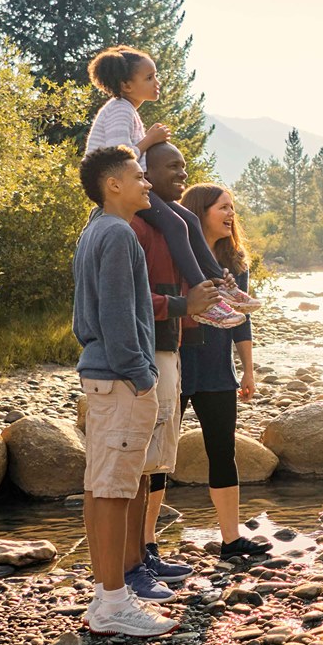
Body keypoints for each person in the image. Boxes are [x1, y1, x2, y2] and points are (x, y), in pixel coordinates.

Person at [72, 145, 177, 637]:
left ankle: (106, 596)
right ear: (113, 184)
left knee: (100, 487)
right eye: (139, 175)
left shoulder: (95, 228)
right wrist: (141, 375)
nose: (147, 183)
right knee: (115, 491)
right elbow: (117, 316)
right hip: (120, 378)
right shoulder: (118, 233)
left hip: (103, 375)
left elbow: (82, 318)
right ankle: (113, 604)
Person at [84, 45, 251, 328]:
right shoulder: (120, 110)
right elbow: (118, 157)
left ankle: (219, 284)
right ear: (126, 85)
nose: (156, 82)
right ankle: (208, 301)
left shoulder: (128, 111)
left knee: (187, 219)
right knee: (175, 226)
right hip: (116, 189)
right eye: (149, 78)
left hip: (129, 185)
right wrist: (150, 139)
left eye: (155, 76)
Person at [127, 142, 221, 596]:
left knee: (159, 457)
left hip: (171, 346)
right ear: (143, 171)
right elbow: (133, 298)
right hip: (148, 353)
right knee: (143, 460)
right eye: (172, 166)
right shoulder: (138, 227)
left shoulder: (172, 224)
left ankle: (146, 551)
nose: (181, 172)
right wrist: (185, 305)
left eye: (184, 165)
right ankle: (131, 564)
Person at [180, 180, 272, 561]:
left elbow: (242, 322)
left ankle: (231, 540)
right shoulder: (176, 253)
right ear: (201, 211)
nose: (231, 213)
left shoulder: (235, 261)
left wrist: (248, 370)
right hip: (178, 363)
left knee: (223, 451)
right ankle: (148, 543)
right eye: (222, 207)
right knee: (159, 455)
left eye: (232, 207)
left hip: (218, 368)